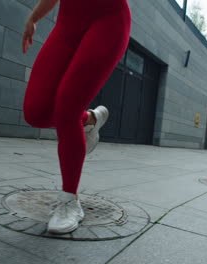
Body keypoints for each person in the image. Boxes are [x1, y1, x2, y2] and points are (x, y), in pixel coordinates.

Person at [21, 0, 132, 234]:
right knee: (36, 113)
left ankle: (69, 201)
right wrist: (33, 18)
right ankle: (90, 120)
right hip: (68, 23)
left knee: (66, 109)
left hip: (109, 19)